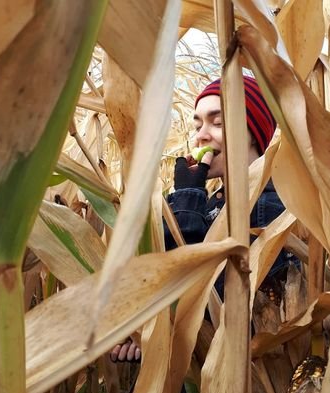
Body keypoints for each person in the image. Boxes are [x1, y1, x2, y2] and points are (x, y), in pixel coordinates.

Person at [110, 76, 296, 363]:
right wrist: (142, 328)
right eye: (198, 126)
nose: (201, 136)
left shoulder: (271, 207)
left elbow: (216, 298)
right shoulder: (213, 204)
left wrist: (186, 196)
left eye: (218, 123)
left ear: (255, 134)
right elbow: (159, 272)